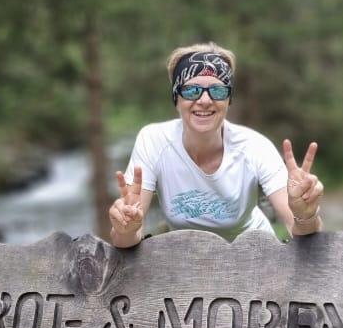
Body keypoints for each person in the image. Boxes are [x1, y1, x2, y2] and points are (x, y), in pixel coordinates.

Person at [109, 42, 324, 248]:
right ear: (176, 97)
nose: (204, 100)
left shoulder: (255, 147)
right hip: (186, 259)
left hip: (256, 256)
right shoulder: (153, 141)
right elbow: (125, 240)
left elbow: (303, 233)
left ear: (228, 100)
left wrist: (305, 215)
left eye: (218, 91)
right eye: (192, 91)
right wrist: (126, 230)